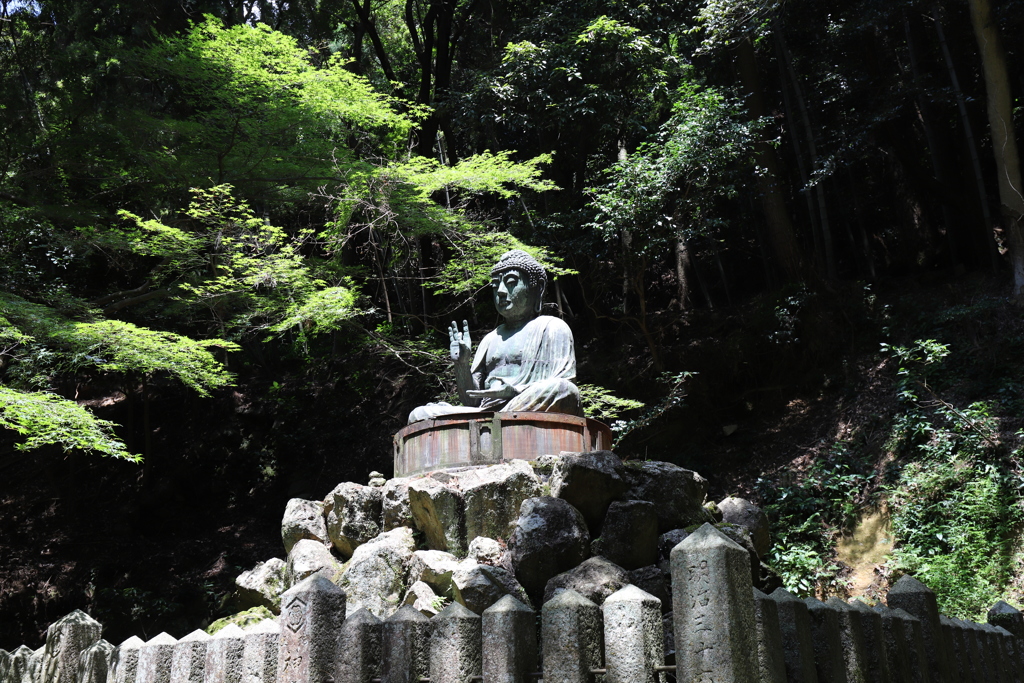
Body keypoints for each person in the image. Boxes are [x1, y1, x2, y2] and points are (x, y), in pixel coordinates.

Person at [407, 249, 582, 423]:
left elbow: (563, 382)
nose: (501, 291)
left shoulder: (552, 328)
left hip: (526, 403)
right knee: (419, 414)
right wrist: (461, 364)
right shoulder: (490, 339)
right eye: (496, 284)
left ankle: (492, 420)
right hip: (486, 410)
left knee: (563, 389)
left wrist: (514, 390)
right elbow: (471, 400)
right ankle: (490, 420)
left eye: (511, 282)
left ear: (538, 287)